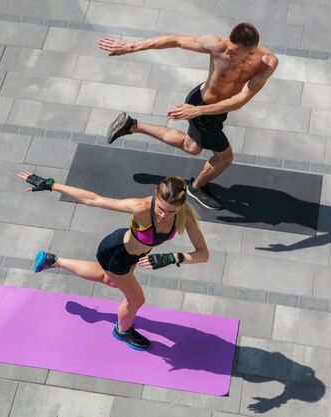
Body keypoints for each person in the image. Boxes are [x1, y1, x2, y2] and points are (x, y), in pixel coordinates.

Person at [17, 172, 209, 351]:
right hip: (116, 254)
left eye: (171, 212)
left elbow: (203, 254)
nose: (164, 215)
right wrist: (52, 185)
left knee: (109, 280)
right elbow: (94, 199)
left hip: (133, 255)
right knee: (136, 299)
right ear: (155, 195)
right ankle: (122, 331)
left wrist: (172, 258)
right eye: (161, 208)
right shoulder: (140, 207)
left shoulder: (185, 215)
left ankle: (53, 260)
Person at [99, 22, 278, 210]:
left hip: (207, 110)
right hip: (202, 107)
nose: (227, 52)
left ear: (249, 52)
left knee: (191, 146)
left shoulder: (268, 62)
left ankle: (131, 125)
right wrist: (131, 47)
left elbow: (241, 100)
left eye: (234, 52)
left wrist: (198, 111)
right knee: (224, 158)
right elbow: (176, 40)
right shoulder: (218, 45)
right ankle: (196, 187)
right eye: (228, 47)